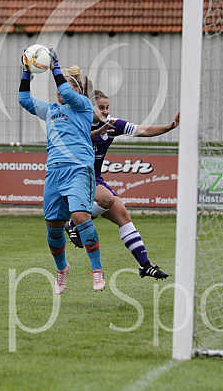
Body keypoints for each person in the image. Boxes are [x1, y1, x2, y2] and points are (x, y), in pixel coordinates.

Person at [64, 66, 179, 280]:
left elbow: (142, 130)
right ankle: (75, 224)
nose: (106, 111)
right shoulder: (77, 121)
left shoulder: (112, 124)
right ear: (90, 107)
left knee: (124, 215)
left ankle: (145, 265)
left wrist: (169, 127)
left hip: (94, 179)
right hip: (75, 179)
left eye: (107, 107)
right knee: (107, 198)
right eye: (101, 107)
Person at [18, 49, 106, 294]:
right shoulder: (50, 110)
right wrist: (26, 72)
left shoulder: (83, 107)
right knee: (53, 227)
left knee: (80, 217)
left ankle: (96, 270)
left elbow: (66, 90)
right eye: (58, 86)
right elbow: (24, 100)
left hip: (79, 169)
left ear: (77, 90)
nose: (59, 90)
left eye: (65, 86)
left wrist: (55, 67)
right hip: (54, 172)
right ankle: (61, 269)